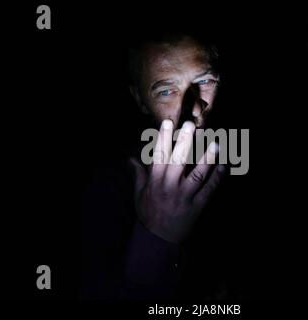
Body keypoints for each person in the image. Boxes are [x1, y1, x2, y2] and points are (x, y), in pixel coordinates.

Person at [81, 32, 227, 299]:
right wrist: (156, 238)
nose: (192, 108)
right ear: (140, 100)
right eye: (166, 91)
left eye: (204, 81)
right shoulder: (108, 185)